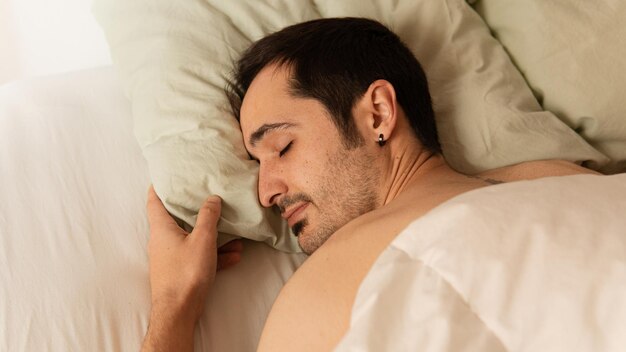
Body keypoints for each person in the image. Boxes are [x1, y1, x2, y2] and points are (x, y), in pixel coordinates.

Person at [141, 18, 598, 351]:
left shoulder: (324, 289)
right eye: (256, 164)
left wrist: (173, 308)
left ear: (377, 113)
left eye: (281, 147)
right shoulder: (570, 181)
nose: (265, 193)